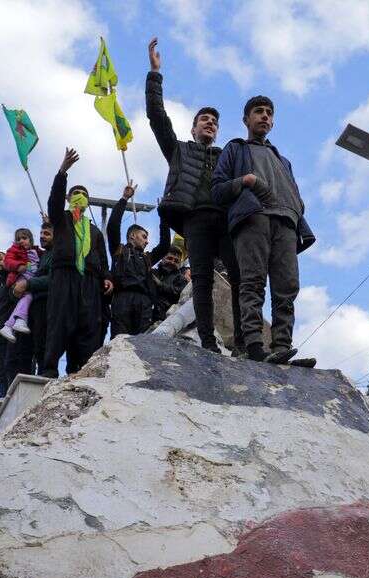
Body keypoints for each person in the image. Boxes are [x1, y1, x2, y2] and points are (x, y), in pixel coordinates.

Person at [146, 36, 243, 354]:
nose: (211, 124)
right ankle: (205, 341)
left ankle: (244, 340)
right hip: (195, 220)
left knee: (240, 277)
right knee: (201, 279)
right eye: (205, 120)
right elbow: (157, 117)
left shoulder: (226, 156)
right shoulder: (179, 150)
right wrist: (155, 74)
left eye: (215, 122)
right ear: (193, 128)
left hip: (225, 222)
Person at [211, 94, 317, 367]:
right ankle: (255, 346)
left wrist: (297, 209)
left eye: (269, 112)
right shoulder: (235, 149)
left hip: (287, 224)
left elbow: (294, 193)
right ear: (246, 119)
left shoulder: (283, 160)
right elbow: (218, 189)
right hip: (253, 218)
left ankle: (282, 347)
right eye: (259, 111)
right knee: (253, 283)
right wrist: (245, 181)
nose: (265, 116)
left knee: (287, 287)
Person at [41, 148, 113, 378]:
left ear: (88, 201)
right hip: (64, 277)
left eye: (83, 194)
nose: (79, 196)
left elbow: (103, 259)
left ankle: (79, 373)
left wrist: (107, 278)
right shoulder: (60, 220)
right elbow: (53, 201)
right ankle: (49, 371)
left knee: (87, 328)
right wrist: (62, 172)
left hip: (90, 283)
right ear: (69, 199)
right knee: (60, 323)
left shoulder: (95, 232)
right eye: (75, 193)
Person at [107, 181, 171, 336]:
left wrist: (163, 216)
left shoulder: (147, 258)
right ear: (132, 236)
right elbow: (113, 226)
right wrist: (124, 199)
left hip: (144, 303)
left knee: (142, 345)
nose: (147, 241)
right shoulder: (119, 251)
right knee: (119, 341)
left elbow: (164, 246)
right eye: (144, 237)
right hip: (122, 300)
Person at [0, 228, 42, 340]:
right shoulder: (14, 250)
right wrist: (18, 266)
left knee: (26, 298)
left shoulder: (37, 251)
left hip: (31, 280)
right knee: (28, 296)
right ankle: (20, 320)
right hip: (20, 278)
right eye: (18, 239)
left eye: (24, 238)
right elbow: (8, 261)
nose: (21, 241)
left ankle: (8, 326)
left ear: (31, 240)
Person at [22, 222, 54, 375]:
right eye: (41, 234)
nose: (42, 237)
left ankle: (45, 373)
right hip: (37, 303)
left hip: (47, 303)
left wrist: (29, 283)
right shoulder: (43, 255)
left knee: (44, 342)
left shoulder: (56, 254)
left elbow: (53, 279)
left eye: (47, 234)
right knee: (37, 343)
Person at [0, 251, 17, 399]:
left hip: (14, 329)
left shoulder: (14, 279)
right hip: (0, 331)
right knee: (0, 369)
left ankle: (11, 398)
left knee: (11, 365)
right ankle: (2, 400)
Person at [152, 245, 190, 320]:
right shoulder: (153, 273)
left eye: (176, 261)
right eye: (170, 258)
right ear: (162, 258)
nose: (172, 262)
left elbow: (179, 293)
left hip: (161, 319)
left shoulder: (181, 278)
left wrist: (160, 284)